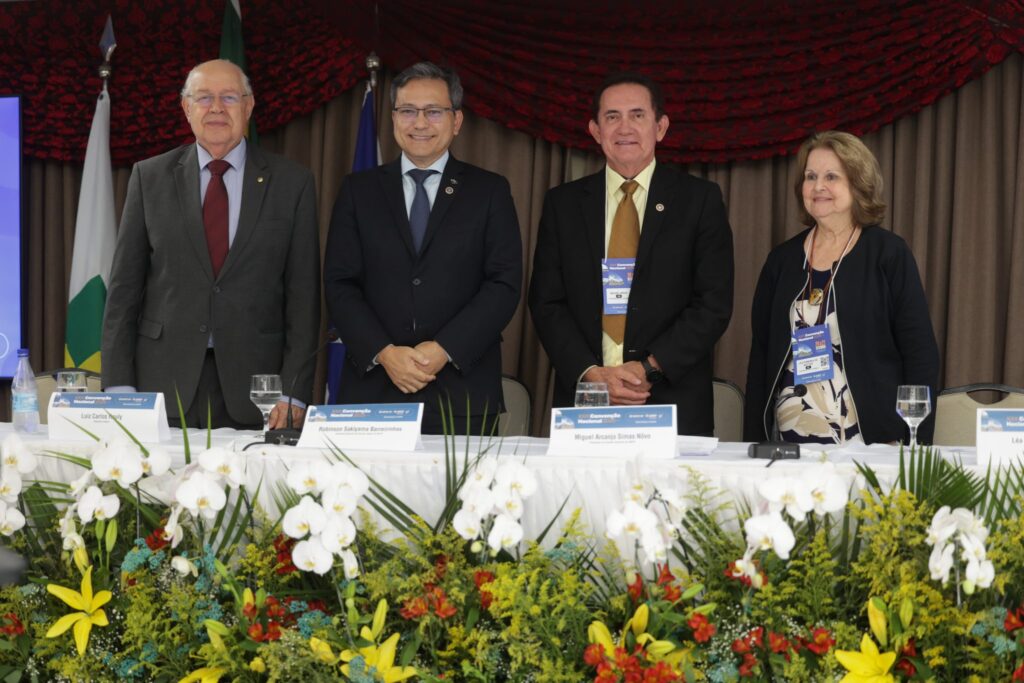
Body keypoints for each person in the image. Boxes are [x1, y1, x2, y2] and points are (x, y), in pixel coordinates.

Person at [102, 59, 320, 430]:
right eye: (204, 98)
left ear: (249, 107)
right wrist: (120, 386)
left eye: (229, 97)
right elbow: (124, 292)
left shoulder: (292, 183)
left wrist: (294, 391)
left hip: (259, 394)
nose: (216, 108)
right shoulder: (149, 178)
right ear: (186, 108)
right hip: (160, 387)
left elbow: (304, 299)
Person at [529, 72, 734, 436]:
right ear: (594, 130)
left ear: (661, 126)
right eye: (612, 116)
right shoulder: (563, 204)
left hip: (669, 397)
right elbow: (547, 302)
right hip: (588, 396)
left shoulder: (699, 200)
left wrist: (648, 369)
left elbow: (713, 303)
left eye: (637, 115)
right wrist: (593, 374)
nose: (625, 127)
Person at [323, 62, 522, 434]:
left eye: (433, 112)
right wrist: (384, 352)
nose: (419, 123)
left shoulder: (489, 191)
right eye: (408, 111)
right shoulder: (358, 191)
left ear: (456, 120)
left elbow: (503, 284)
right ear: (394, 118)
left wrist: (443, 349)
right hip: (373, 390)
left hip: (460, 393)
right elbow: (340, 283)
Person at [744, 130, 939, 445]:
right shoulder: (781, 261)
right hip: (788, 444)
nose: (818, 186)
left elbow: (920, 355)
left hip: (871, 443)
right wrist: (753, 441)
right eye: (810, 176)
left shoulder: (887, 253)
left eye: (831, 176)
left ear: (857, 183)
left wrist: (915, 442)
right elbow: (761, 360)